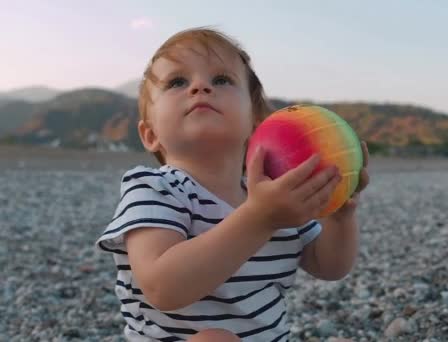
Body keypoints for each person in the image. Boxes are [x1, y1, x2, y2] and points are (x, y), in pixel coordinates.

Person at [96, 26, 369, 342]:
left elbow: (330, 267)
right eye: (177, 82)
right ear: (150, 134)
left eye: (222, 80)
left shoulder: (277, 195)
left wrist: (338, 215)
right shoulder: (153, 190)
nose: (200, 87)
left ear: (255, 121)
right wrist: (259, 218)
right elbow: (163, 287)